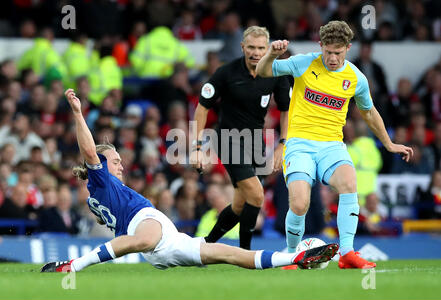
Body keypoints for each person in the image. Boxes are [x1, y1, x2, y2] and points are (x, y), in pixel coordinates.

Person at [40, 89, 338, 273]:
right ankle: (75, 265)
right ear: (101, 165)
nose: (120, 163)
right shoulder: (100, 180)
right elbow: (90, 151)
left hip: (165, 243)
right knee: (144, 239)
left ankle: (294, 257)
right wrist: (79, 114)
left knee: (231, 254)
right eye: (114, 160)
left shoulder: (100, 188)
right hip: (143, 225)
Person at [256, 20, 413, 269]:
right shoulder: (304, 63)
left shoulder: (356, 78)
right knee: (299, 203)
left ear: (348, 48)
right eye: (327, 51)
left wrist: (389, 143)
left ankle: (348, 253)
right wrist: (270, 55)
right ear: (321, 46)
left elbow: (369, 112)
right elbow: (264, 71)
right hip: (300, 144)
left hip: (331, 145)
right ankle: (289, 255)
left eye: (337, 53)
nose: (331, 57)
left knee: (350, 182)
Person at [191, 26, 291, 250]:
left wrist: (282, 145)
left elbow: (286, 110)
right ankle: (246, 253)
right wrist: (197, 146)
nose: (256, 53)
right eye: (252, 47)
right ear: (242, 47)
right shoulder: (226, 73)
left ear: (267, 49)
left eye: (261, 48)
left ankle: (203, 248)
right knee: (256, 196)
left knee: (239, 205)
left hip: (256, 143)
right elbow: (201, 109)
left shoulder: (277, 73)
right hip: (227, 139)